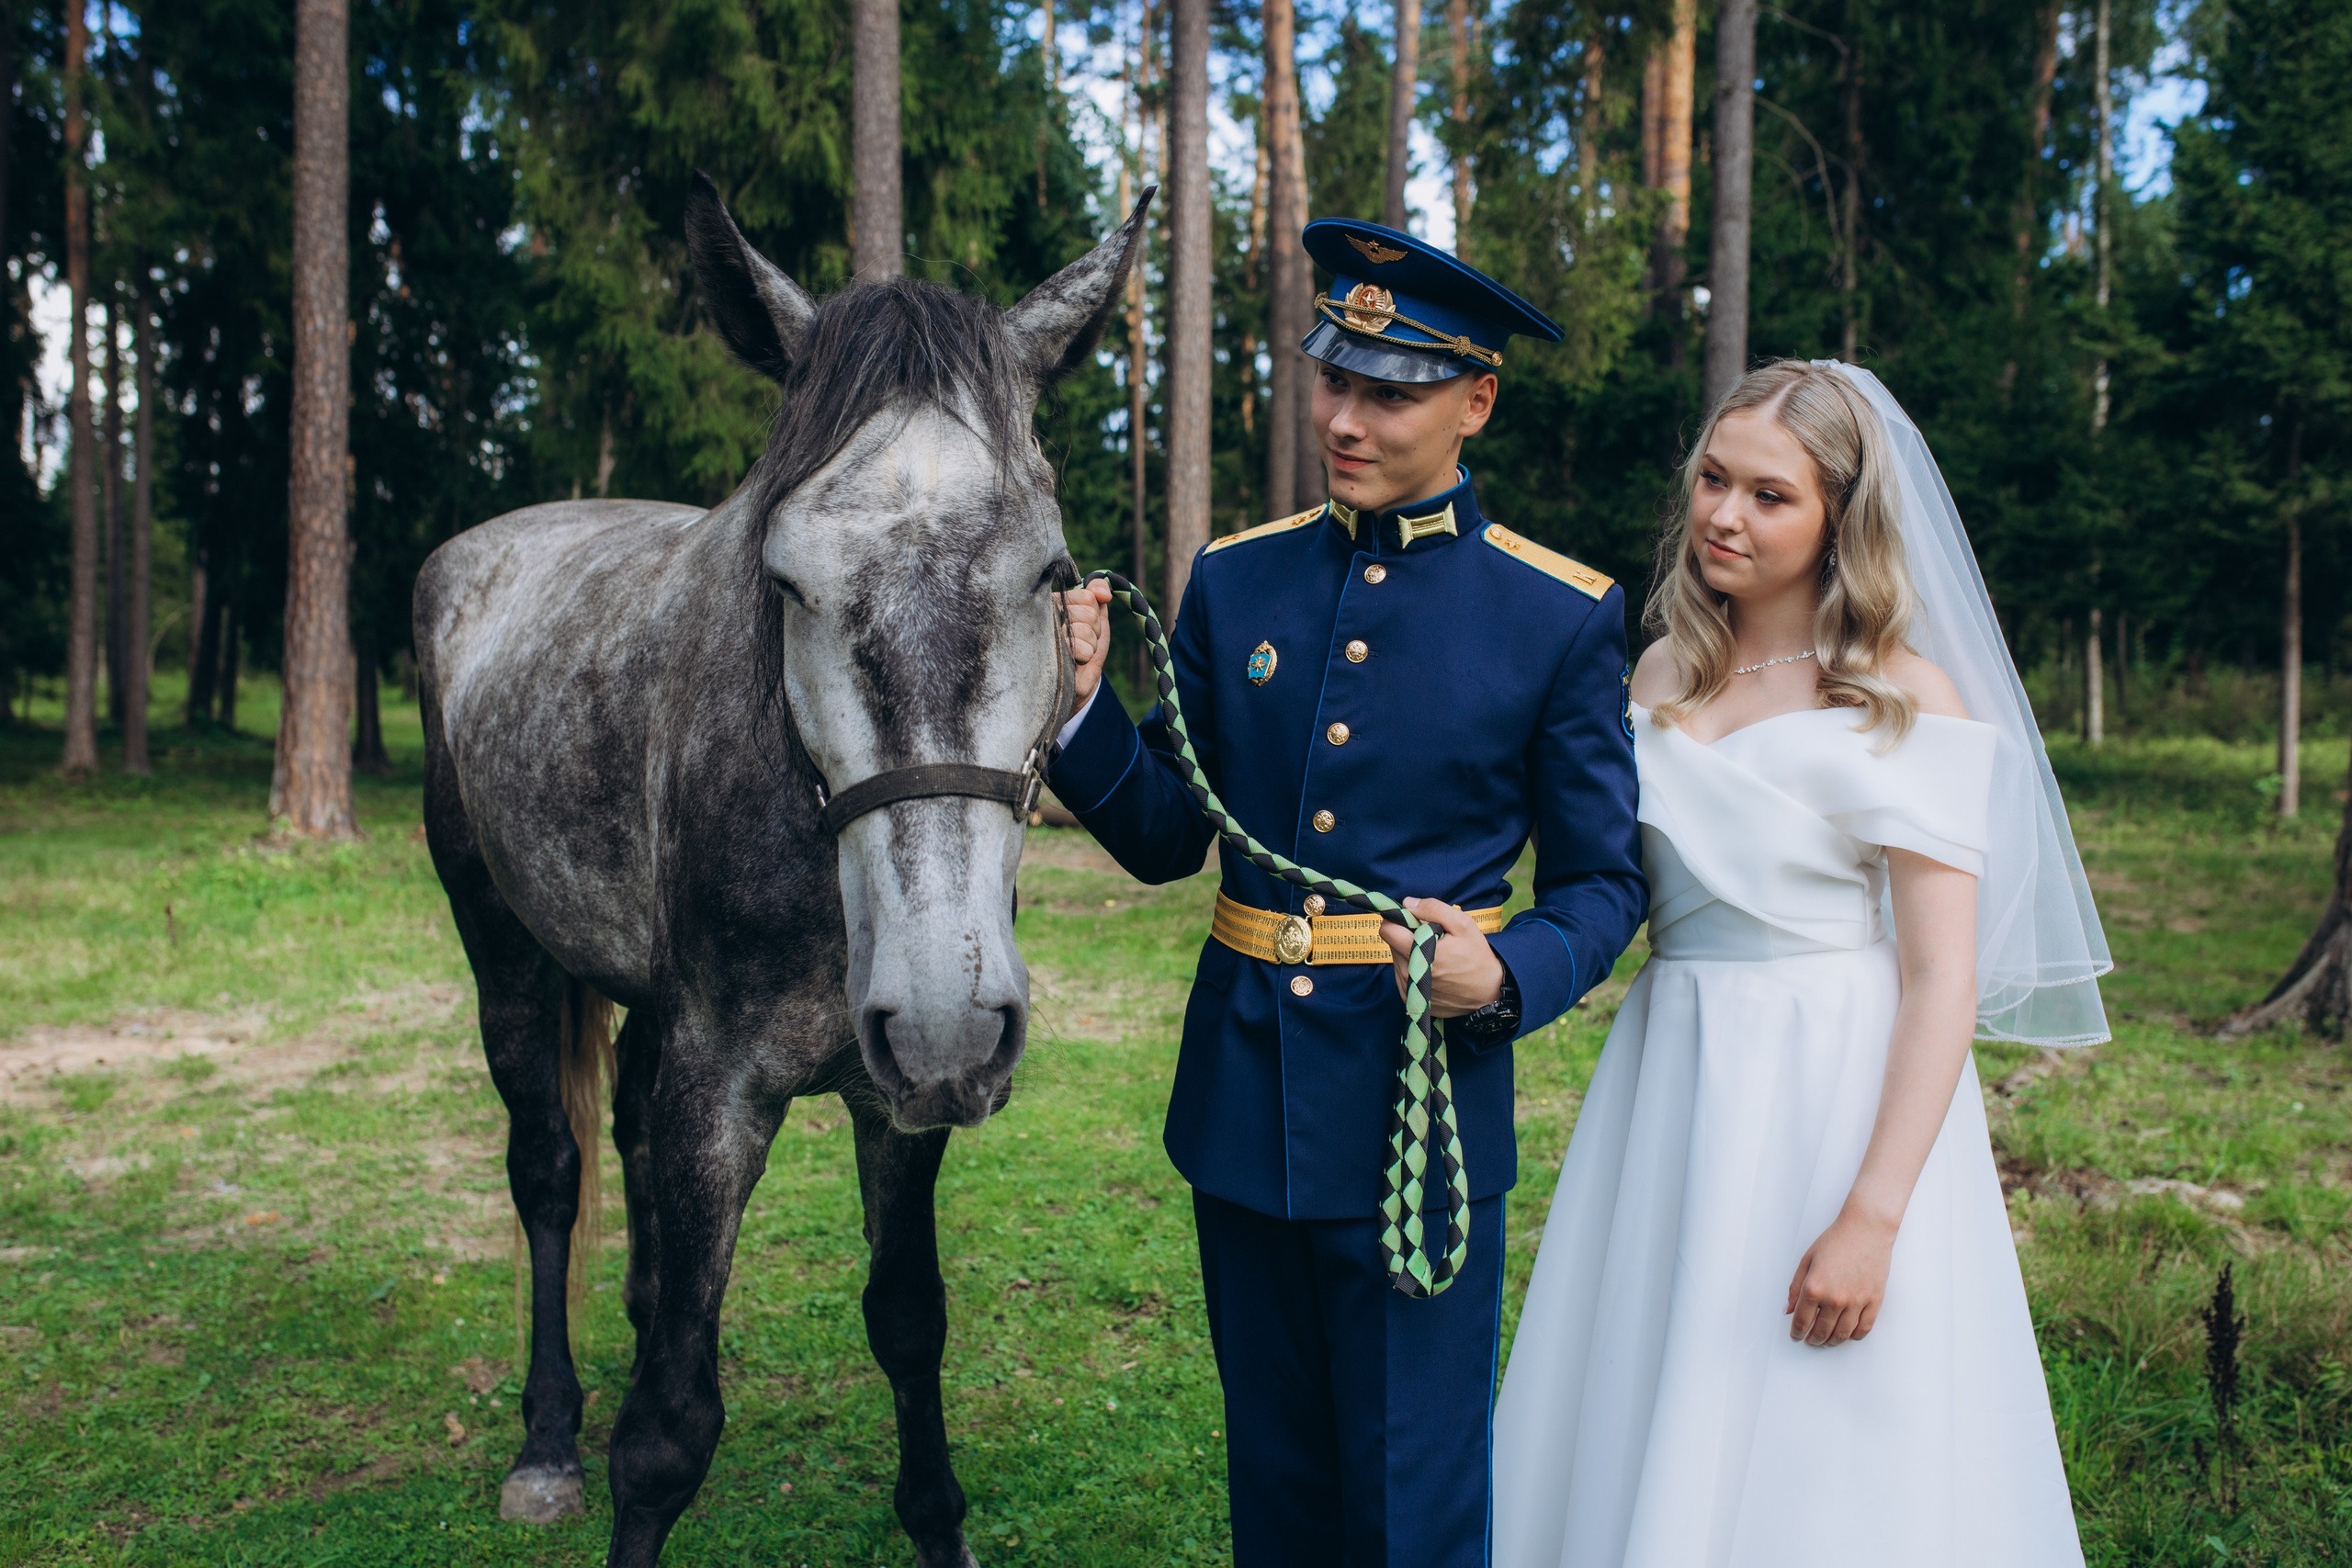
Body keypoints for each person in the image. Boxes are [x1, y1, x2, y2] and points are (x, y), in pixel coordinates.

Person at [1051, 219, 1646, 1567]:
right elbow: (1168, 833)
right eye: (1333, 378)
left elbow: (1605, 882)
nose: (1343, 419)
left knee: (1410, 1502)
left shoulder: (1556, 615)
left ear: (1475, 401)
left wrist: (1509, 974)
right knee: (1279, 1489)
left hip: (1416, 1112)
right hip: (1240, 1101)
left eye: (1390, 392)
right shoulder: (1236, 579)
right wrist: (1083, 712)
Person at [1489, 359, 2111, 1568]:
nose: (1725, 515)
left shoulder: (1902, 697)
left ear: (1841, 518)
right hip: (1676, 1061)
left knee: (1813, 1408)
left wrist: (1873, 1215)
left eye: (1770, 495)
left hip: (1831, 1076)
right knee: (1660, 1358)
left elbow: (1942, 979)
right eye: (1713, 480)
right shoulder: (1658, 672)